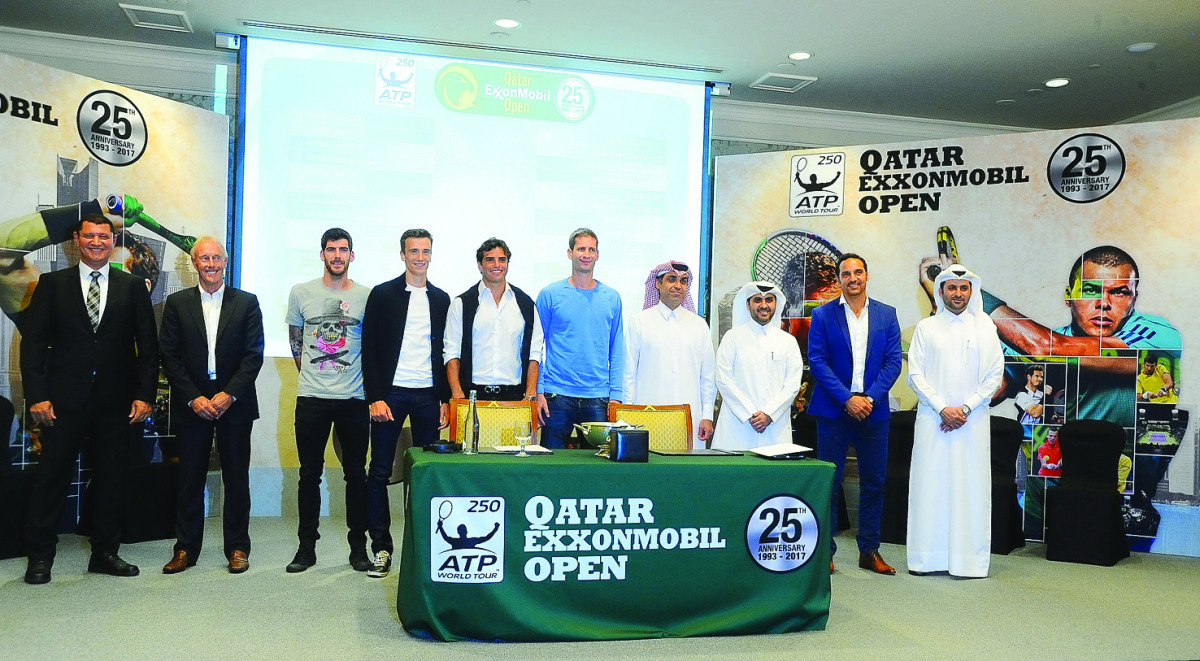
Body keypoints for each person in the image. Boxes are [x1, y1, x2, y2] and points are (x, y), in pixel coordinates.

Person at [19, 215, 158, 584]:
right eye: (89, 236)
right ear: (76, 240)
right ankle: (40, 557)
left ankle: (105, 553)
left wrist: (145, 396)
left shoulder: (132, 287)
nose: (97, 242)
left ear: (112, 241)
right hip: (63, 401)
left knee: (112, 479)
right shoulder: (51, 285)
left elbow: (148, 348)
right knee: (52, 478)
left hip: (116, 401)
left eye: (103, 236)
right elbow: (32, 346)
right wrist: (38, 396)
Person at [159, 237, 264, 575]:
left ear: (226, 262)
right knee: (189, 479)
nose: (211, 264)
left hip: (235, 404)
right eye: (204, 258)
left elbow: (253, 355)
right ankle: (185, 549)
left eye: (216, 257)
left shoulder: (247, 303)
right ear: (194, 263)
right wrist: (195, 397)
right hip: (194, 406)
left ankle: (237, 548)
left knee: (237, 479)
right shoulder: (176, 304)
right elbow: (170, 357)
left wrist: (228, 394)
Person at [360, 228, 450, 578]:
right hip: (391, 395)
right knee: (380, 472)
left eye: (425, 251)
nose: (420, 257)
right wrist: (375, 398)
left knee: (424, 474)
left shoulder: (442, 299)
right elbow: (368, 349)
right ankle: (381, 549)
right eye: (413, 251)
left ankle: (422, 550)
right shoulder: (382, 295)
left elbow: (447, 353)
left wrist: (444, 398)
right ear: (402, 255)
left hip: (429, 396)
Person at [284, 228, 373, 573]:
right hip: (312, 398)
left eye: (343, 250)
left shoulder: (367, 296)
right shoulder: (301, 292)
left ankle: (358, 549)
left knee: (356, 475)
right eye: (331, 249)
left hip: (353, 398)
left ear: (352, 255)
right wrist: (316, 375)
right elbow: (296, 341)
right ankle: (306, 548)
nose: (337, 255)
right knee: (309, 475)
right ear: (322, 254)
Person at [807, 254, 902, 575]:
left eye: (858, 272)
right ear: (839, 279)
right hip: (834, 410)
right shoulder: (821, 316)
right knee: (830, 482)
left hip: (873, 413)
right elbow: (817, 362)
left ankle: (869, 551)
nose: (853, 278)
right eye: (846, 274)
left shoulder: (887, 315)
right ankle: (826, 553)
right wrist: (848, 399)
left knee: (874, 483)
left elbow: (893, 363)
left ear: (867, 275)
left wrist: (869, 399)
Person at [906, 265, 1004, 578]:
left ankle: (969, 562)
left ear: (971, 292)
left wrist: (964, 408)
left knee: (970, 489)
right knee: (929, 487)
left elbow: (994, 376)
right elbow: (915, 375)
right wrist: (941, 408)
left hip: (972, 423)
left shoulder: (986, 327)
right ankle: (927, 558)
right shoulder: (926, 328)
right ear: (941, 291)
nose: (958, 294)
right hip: (933, 421)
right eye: (952, 288)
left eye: (964, 288)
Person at [535, 228, 624, 448]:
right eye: (581, 248)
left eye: (591, 249)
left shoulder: (612, 298)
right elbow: (535, 347)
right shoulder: (550, 294)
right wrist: (538, 391)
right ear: (570, 253)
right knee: (552, 466)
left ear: (597, 254)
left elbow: (617, 350)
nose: (586, 254)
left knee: (594, 471)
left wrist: (616, 396)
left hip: (598, 398)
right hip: (556, 396)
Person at [623, 261, 716, 444]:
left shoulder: (699, 325)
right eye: (671, 279)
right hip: (647, 415)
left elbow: (708, 377)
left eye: (683, 281)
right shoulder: (640, 321)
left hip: (691, 417)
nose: (677, 286)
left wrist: (707, 415)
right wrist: (627, 414)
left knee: (687, 470)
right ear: (658, 283)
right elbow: (628, 373)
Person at [445, 237, 543, 403]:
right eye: (490, 260)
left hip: (514, 397)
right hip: (472, 396)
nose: (497, 265)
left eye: (502, 260)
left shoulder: (525, 304)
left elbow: (535, 353)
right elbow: (451, 353)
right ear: (480, 265)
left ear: (508, 264)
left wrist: (530, 394)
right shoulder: (462, 303)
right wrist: (457, 395)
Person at [713, 281, 804, 450]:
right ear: (748, 305)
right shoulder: (732, 338)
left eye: (769, 300)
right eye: (757, 300)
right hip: (737, 425)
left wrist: (769, 414)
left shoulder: (788, 342)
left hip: (774, 427)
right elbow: (723, 379)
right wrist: (749, 413)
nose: (764, 305)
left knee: (772, 476)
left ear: (776, 304)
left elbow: (792, 385)